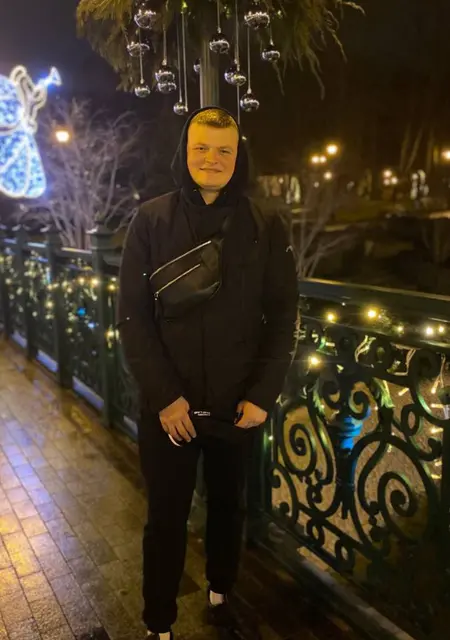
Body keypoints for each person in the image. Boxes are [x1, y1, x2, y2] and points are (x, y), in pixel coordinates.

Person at [118, 107, 298, 640]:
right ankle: (158, 623)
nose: (212, 159)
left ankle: (221, 589)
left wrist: (263, 395)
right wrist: (164, 398)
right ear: (185, 152)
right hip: (169, 410)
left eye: (224, 150)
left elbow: (283, 314)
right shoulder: (150, 220)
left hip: (237, 404)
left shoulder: (266, 224)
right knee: (165, 519)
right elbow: (132, 318)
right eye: (201, 147)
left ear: (239, 157)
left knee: (228, 507)